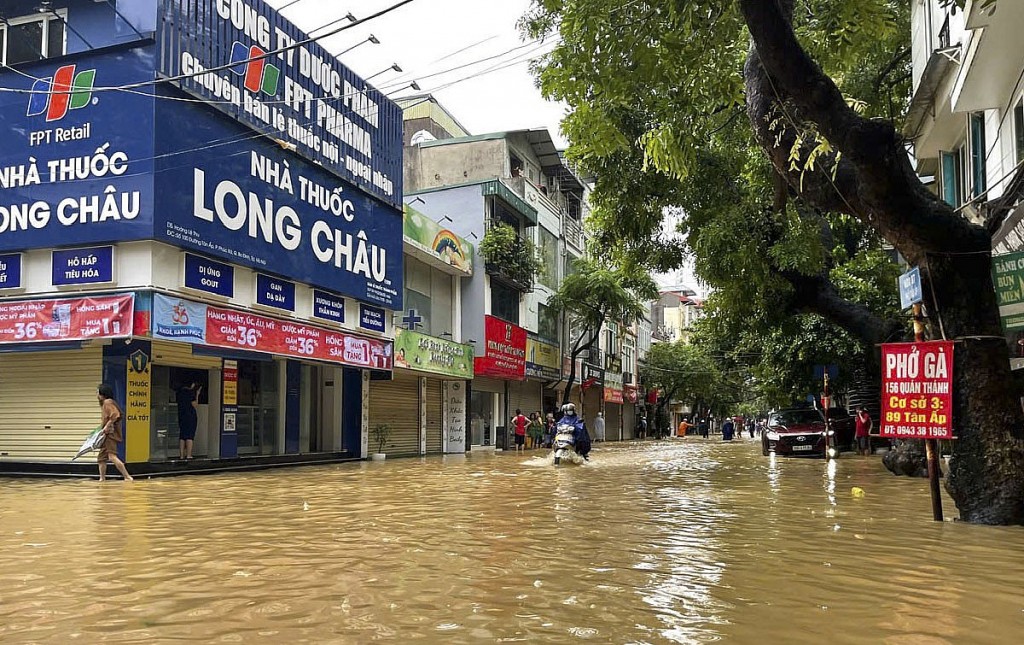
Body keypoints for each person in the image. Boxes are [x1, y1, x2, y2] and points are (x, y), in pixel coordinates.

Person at [96, 384, 133, 482]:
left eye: (98, 392)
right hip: (106, 434)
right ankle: (102, 479)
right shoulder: (106, 403)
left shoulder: (107, 402)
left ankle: (127, 476)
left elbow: (115, 415)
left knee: (112, 456)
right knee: (101, 458)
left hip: (110, 435)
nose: (97, 395)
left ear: (102, 394)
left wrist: (107, 426)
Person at [177, 381, 201, 460]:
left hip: (181, 416)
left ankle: (181, 455)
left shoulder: (179, 392)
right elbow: (195, 405)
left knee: (182, 436)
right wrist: (197, 394)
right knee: (189, 435)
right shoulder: (190, 393)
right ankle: (189, 455)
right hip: (190, 417)